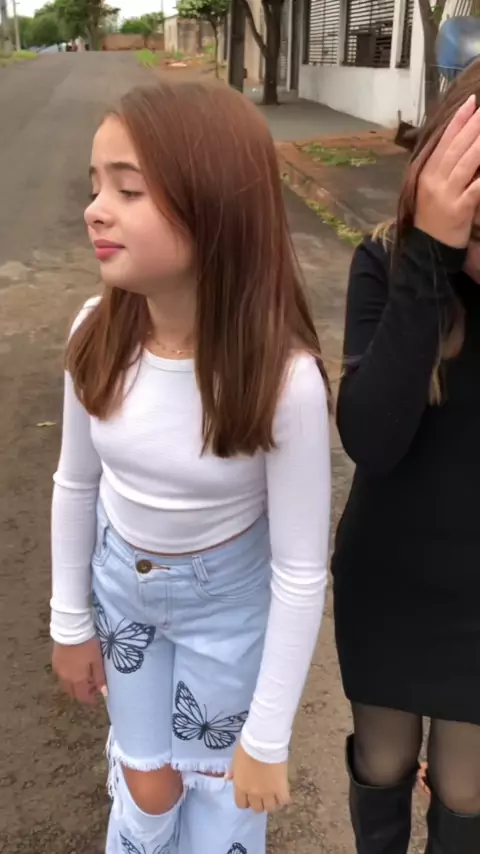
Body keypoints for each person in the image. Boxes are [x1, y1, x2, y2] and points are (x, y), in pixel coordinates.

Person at [50, 80, 331, 854]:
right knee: (147, 784)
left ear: (216, 209)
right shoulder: (94, 335)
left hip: (230, 612)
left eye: (128, 189)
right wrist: (70, 621)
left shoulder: (283, 380)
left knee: (225, 795)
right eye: (95, 186)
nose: (96, 210)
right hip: (122, 597)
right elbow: (76, 484)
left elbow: (300, 572)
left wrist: (267, 737)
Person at [332, 62, 480, 854]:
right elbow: (372, 438)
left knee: (467, 787)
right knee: (382, 761)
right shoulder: (388, 261)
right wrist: (430, 260)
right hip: (389, 579)